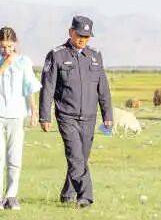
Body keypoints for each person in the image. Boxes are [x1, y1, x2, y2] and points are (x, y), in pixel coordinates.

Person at [39, 16, 113, 208]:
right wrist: (45, 116)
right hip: (67, 115)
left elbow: (103, 87)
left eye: (87, 36)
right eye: (80, 35)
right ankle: (85, 196)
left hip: (89, 116)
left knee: (82, 158)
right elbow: (47, 87)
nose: (83, 39)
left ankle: (68, 193)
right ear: (71, 32)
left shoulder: (95, 56)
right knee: (75, 156)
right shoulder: (57, 55)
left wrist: (107, 115)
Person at [0, 27, 41, 210]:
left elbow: (29, 87)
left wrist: (34, 111)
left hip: (17, 114)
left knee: (14, 157)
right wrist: (5, 64)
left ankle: (11, 196)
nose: (6, 50)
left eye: (9, 46)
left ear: (15, 43)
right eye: (2, 46)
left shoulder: (24, 61)